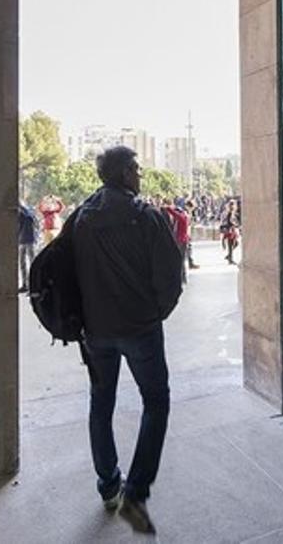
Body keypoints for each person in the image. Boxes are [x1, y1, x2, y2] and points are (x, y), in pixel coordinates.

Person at [71, 146, 183, 534]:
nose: (141, 174)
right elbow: (171, 273)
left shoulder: (82, 218)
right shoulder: (146, 216)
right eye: (136, 168)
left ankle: (108, 485)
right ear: (122, 174)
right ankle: (135, 490)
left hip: (97, 332)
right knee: (157, 401)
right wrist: (156, 313)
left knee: (100, 404)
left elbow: (69, 273)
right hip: (139, 328)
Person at [162, 197, 192, 283]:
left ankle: (182, 277)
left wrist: (167, 208)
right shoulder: (184, 216)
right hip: (181, 240)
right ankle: (182, 277)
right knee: (180, 259)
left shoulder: (182, 217)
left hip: (181, 240)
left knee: (180, 259)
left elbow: (175, 214)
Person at [17, 202, 37, 293]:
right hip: (25, 239)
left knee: (28, 263)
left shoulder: (25, 212)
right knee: (24, 263)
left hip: (26, 240)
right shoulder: (28, 212)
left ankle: (30, 285)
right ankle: (27, 284)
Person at [220, 199, 241, 265]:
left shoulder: (230, 212)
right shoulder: (229, 212)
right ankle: (230, 259)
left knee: (234, 243)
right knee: (231, 244)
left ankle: (229, 256)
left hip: (230, 230)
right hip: (230, 230)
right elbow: (229, 221)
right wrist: (235, 225)